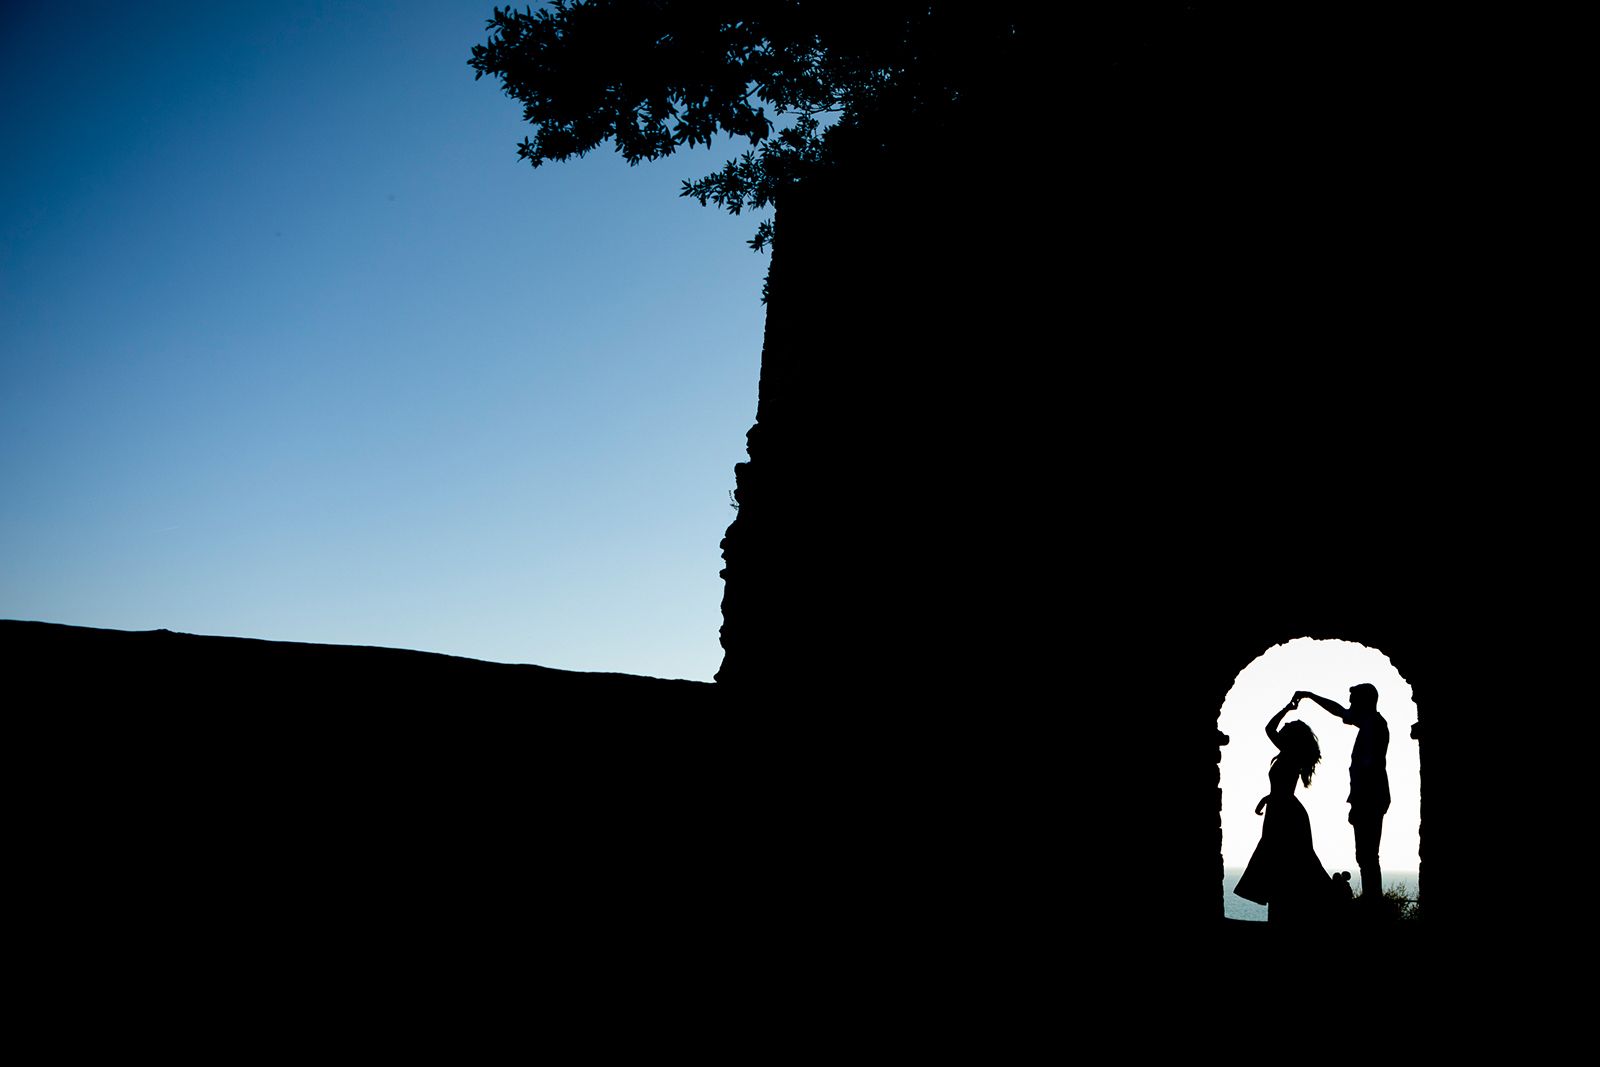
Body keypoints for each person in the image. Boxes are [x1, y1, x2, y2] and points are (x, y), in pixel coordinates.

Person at [1233, 699, 1331, 924]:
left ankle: (1291, 911)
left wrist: (1287, 708)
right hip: (1281, 808)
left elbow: (1269, 728)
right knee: (1284, 858)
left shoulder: (1291, 753)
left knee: (1285, 858)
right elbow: (1281, 787)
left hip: (1284, 812)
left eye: (1287, 726)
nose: (1283, 727)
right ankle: (1288, 911)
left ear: (1293, 736)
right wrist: (1267, 798)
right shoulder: (1289, 752)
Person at [1295, 684, 1389, 905]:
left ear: (1365, 702)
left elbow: (1371, 769)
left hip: (1369, 799)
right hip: (1371, 798)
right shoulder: (1369, 724)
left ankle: (1372, 900)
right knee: (1366, 855)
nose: (1350, 705)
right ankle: (1372, 898)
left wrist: (1357, 803)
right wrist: (1311, 696)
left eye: (1353, 701)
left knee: (1367, 855)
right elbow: (1339, 712)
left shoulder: (1374, 728)